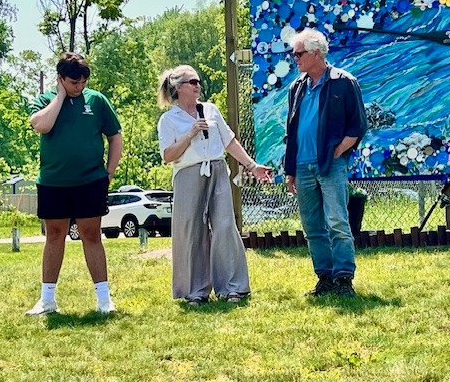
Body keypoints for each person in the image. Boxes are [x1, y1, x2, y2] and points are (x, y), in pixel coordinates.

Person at [157, 65, 272, 306]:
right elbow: (168, 156)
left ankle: (233, 288)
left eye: (198, 82)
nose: (198, 86)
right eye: (192, 82)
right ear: (178, 88)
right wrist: (190, 134)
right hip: (188, 174)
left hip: (217, 170)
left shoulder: (210, 110)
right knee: (192, 232)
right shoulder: (168, 119)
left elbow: (229, 142)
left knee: (225, 226)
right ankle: (195, 291)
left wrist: (252, 166)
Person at [25, 52, 123, 315]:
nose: (79, 87)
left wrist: (109, 172)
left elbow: (115, 136)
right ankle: (47, 300)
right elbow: (42, 126)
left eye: (83, 82)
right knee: (54, 236)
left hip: (90, 181)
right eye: (73, 82)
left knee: (91, 235)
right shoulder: (45, 101)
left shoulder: (97, 100)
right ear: (60, 78)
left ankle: (104, 300)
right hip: (53, 182)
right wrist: (59, 97)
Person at [285, 28, 367, 297]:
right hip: (302, 166)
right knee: (312, 226)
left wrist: (339, 150)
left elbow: (358, 125)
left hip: (331, 164)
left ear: (316, 53)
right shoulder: (296, 87)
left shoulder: (343, 82)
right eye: (294, 54)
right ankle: (325, 277)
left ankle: (343, 278)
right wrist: (290, 170)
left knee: (337, 222)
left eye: (299, 54)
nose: (295, 58)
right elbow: (291, 131)